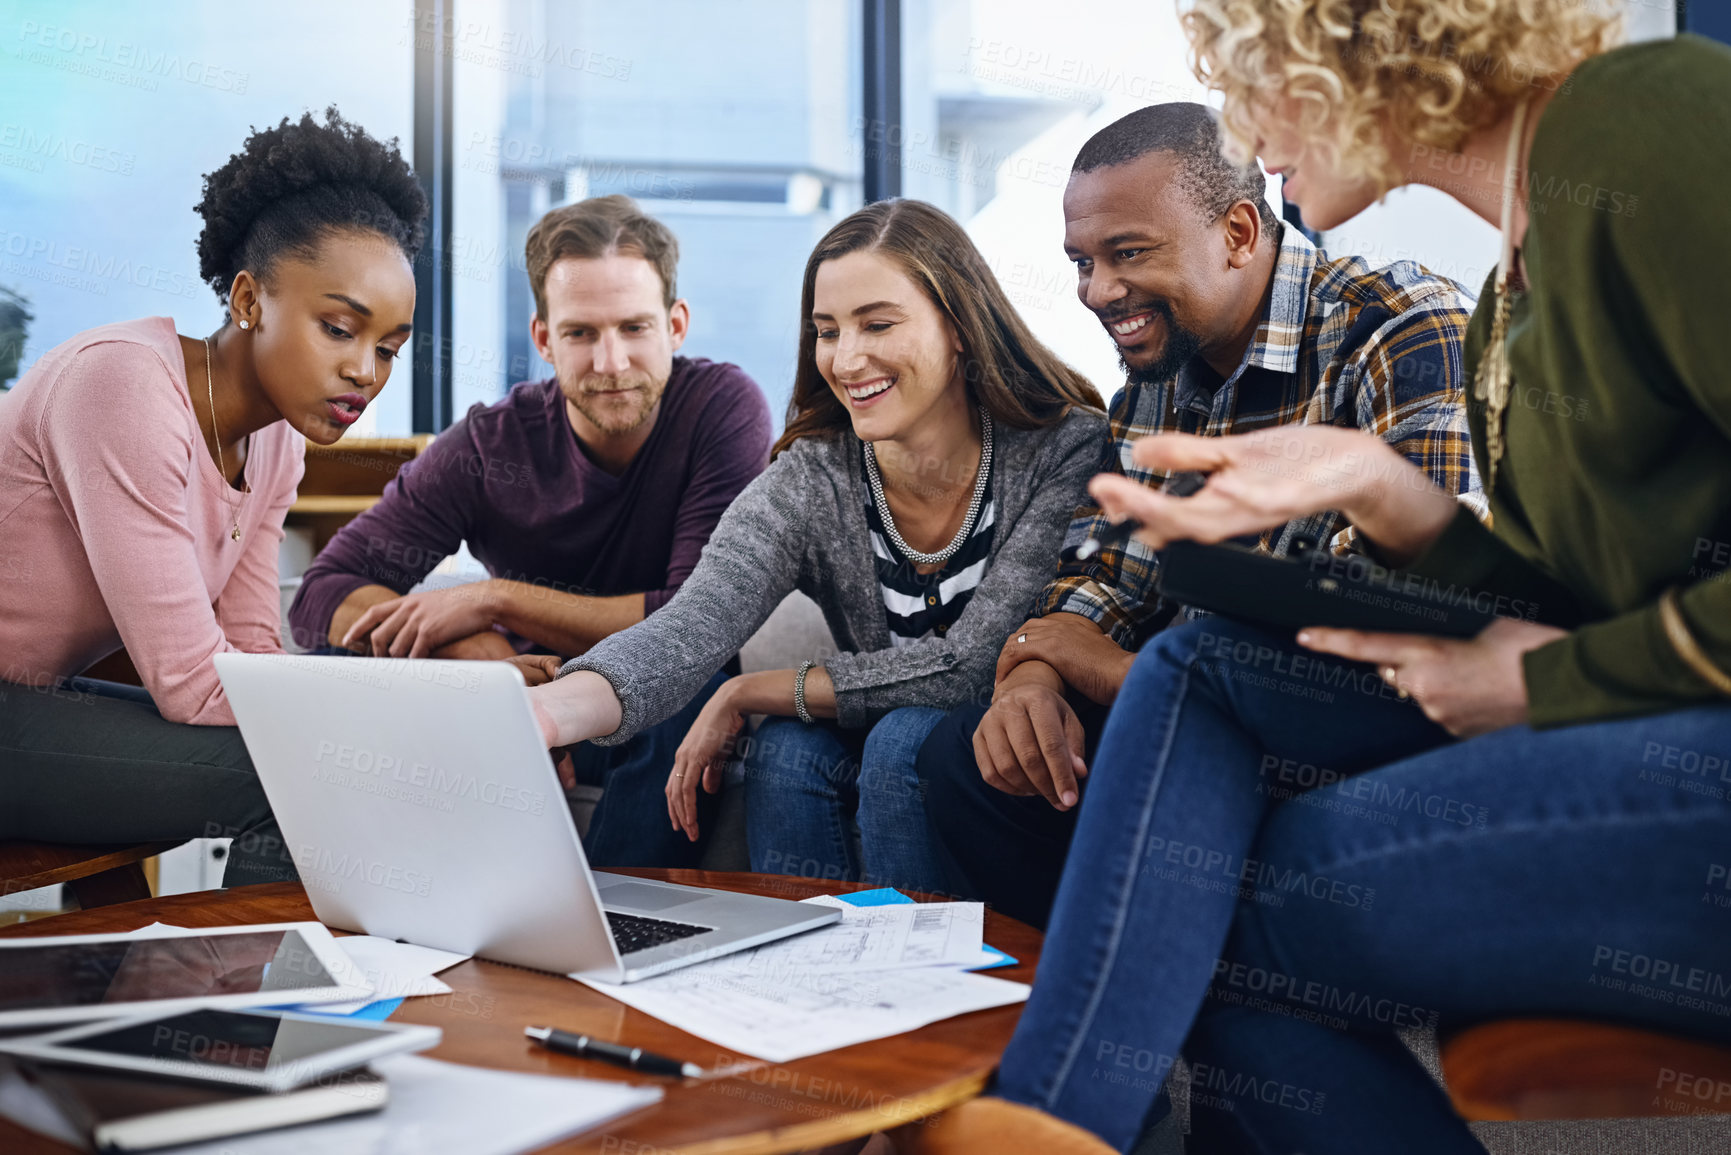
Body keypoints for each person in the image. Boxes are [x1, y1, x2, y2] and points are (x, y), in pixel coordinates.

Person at [948, 6, 1731, 1153]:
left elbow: (1564, 649)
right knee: (1200, 667)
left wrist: (1559, 679)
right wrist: (1372, 483)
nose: (1252, 132)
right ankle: (1047, 1127)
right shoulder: (1507, 301)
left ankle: (1042, 1126)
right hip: (1646, 733)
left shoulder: (1645, 122)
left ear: (1357, 48)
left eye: (1258, 79)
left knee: (1205, 910)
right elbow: (1559, 604)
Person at [917, 102, 1481, 929]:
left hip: (1339, 735)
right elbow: (1105, 573)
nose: (1098, 291)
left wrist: (1115, 673)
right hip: (1189, 724)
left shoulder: (1399, 328)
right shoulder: (1151, 383)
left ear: (1241, 231)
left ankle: (1156, 992)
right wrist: (1034, 672)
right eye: (1081, 261)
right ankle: (1087, 1006)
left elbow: (1392, 632)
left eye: (1129, 254)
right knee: (961, 756)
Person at [518, 199, 1107, 894]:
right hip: (884, 729)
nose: (847, 357)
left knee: (898, 741)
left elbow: (971, 667)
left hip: (1013, 764)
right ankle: (805, 980)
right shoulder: (811, 477)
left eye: (877, 323)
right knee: (787, 749)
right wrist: (547, 714)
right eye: (827, 330)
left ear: (958, 324)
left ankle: (928, 984)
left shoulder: (1063, 448)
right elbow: (688, 627)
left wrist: (752, 688)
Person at [0, 108, 425, 886]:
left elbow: (252, 653)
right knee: (299, 776)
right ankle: (223, 1010)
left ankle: (197, 1001)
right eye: (339, 328)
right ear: (248, 299)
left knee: (314, 761)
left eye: (389, 348)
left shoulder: (275, 444)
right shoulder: (124, 386)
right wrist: (395, 707)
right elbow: (192, 682)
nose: (367, 370)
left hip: (33, 697)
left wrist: (405, 707)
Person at [288, 195, 771, 868]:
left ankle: (615, 934)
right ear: (543, 338)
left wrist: (496, 599)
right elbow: (321, 594)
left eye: (634, 327)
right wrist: (475, 657)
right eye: (580, 334)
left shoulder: (721, 410)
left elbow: (690, 621)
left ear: (676, 325)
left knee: (686, 692)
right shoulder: (492, 443)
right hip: (517, 698)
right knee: (335, 675)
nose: (609, 362)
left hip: (655, 703)